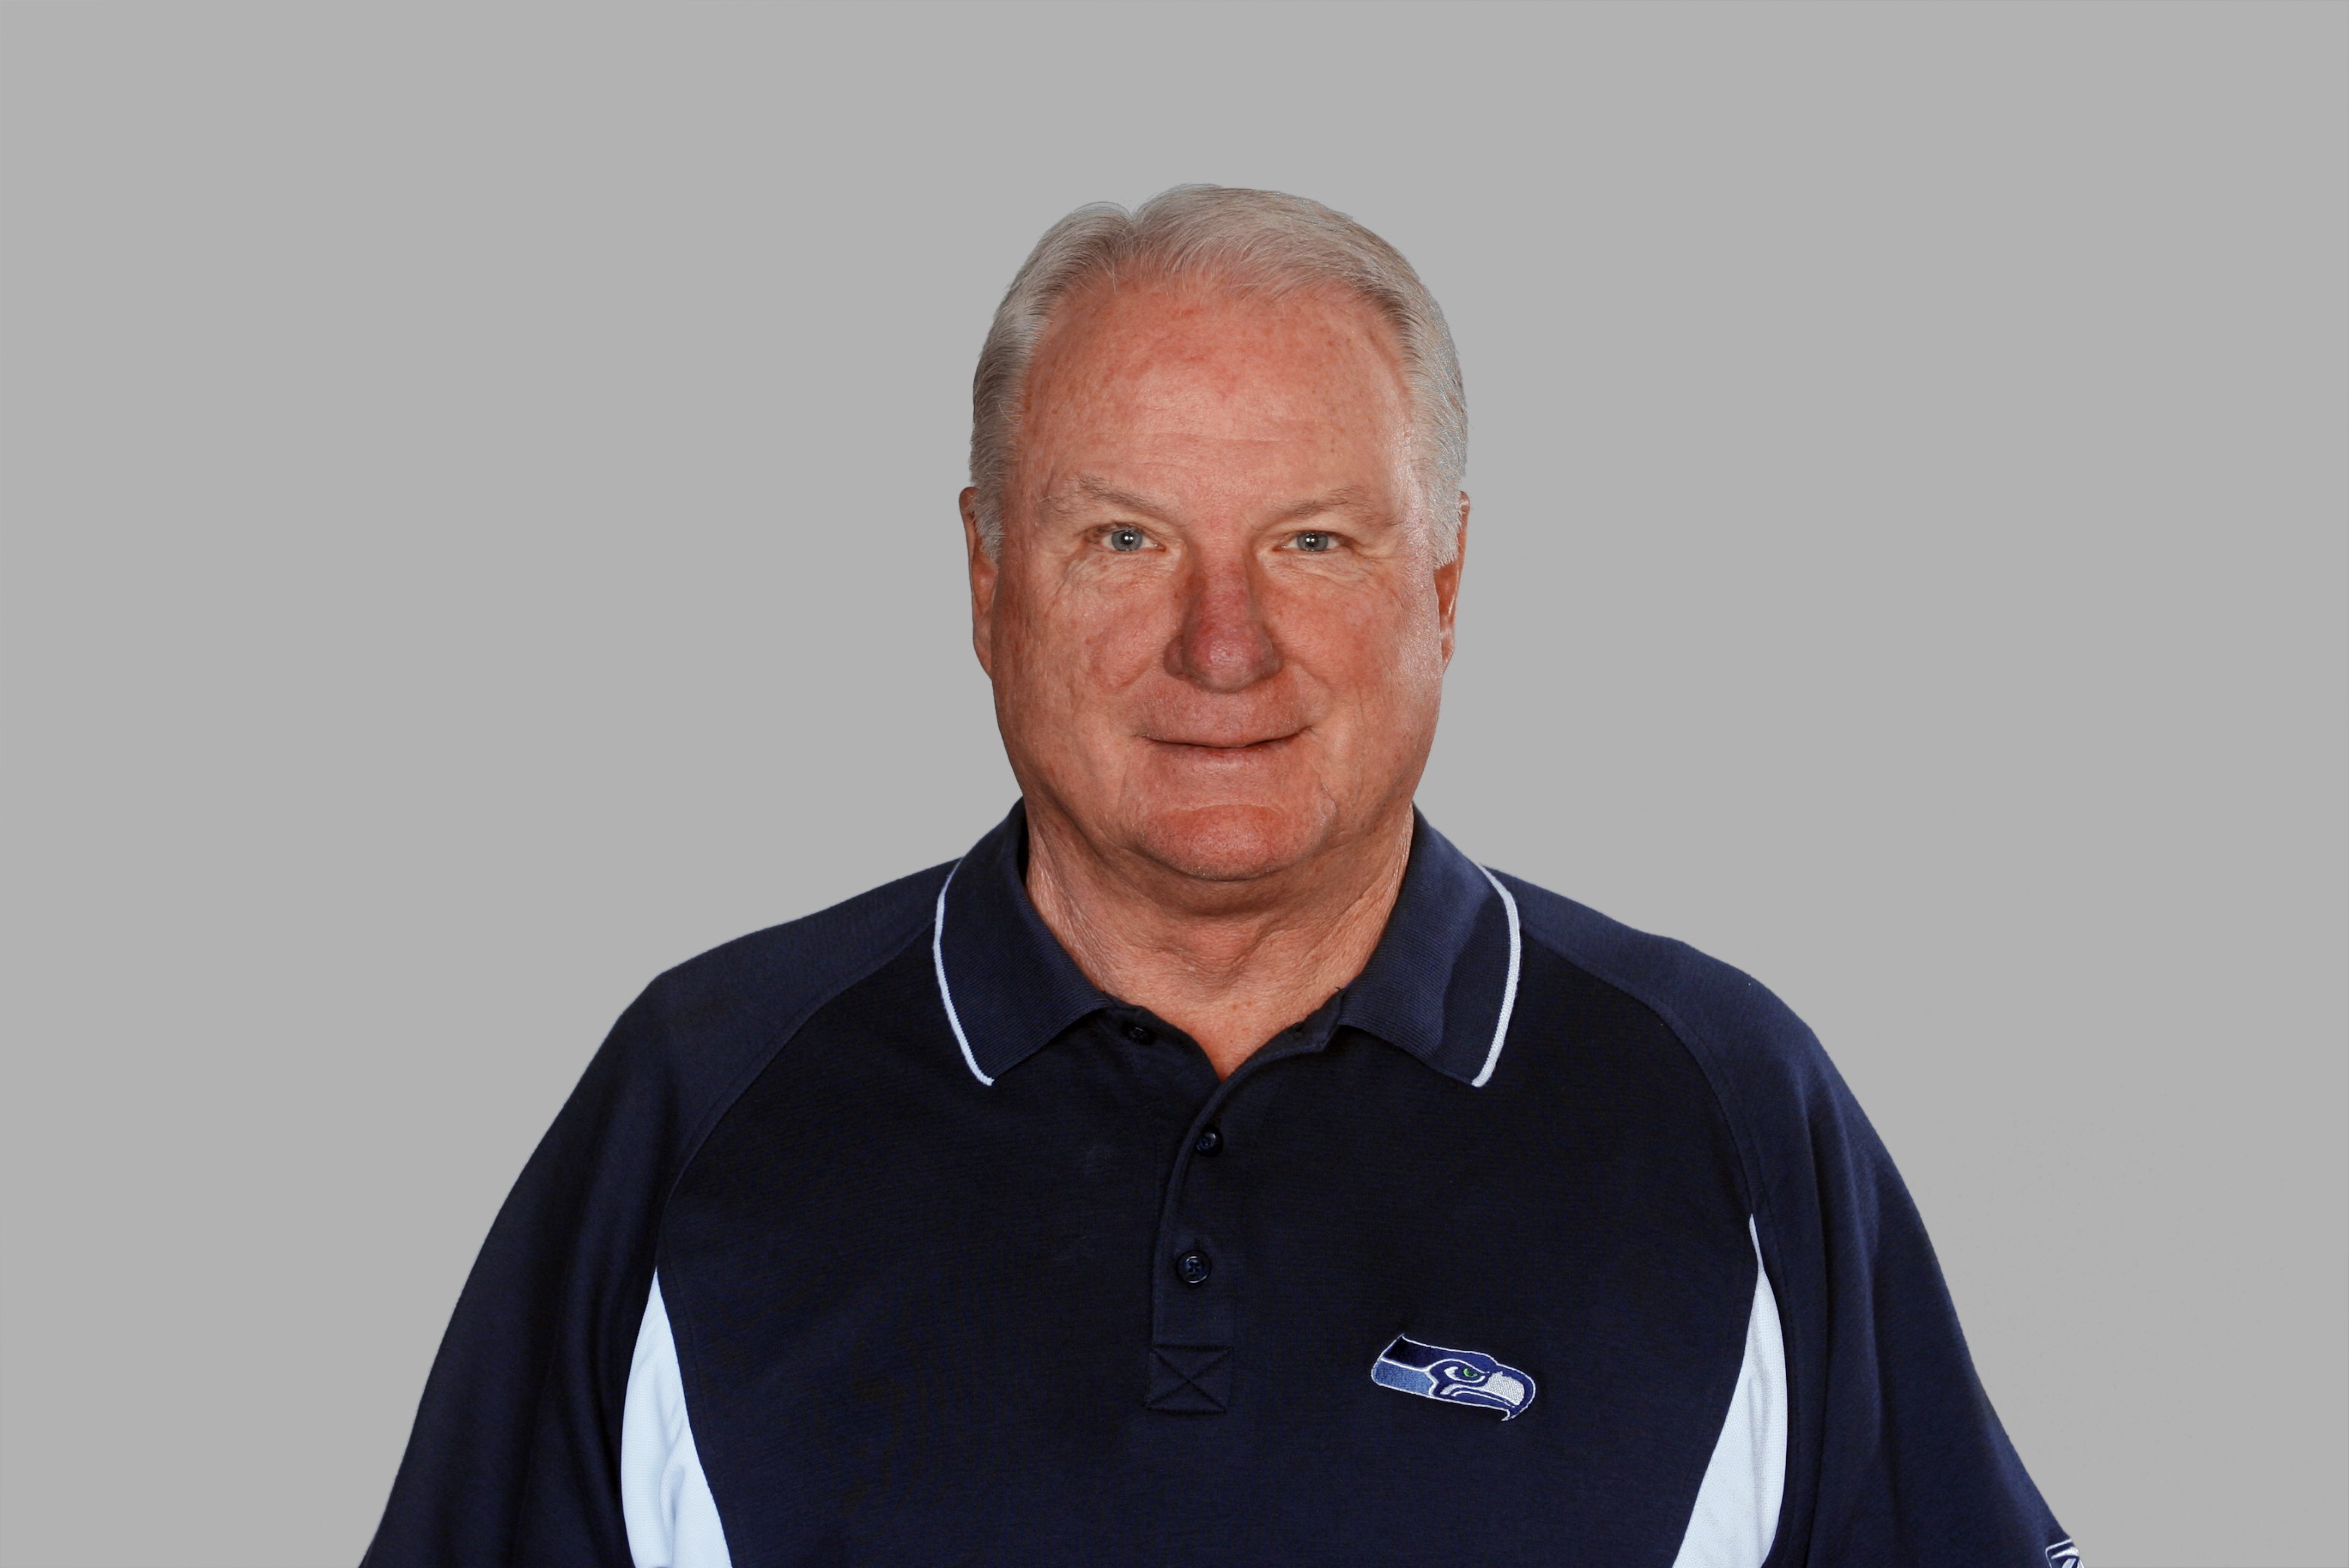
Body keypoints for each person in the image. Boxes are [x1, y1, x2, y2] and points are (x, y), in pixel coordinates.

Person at [362, 186, 2074, 1568]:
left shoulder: (1726, 1104)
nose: (1222, 644)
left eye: (1314, 541)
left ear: (1449, 579)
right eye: (1124, 538)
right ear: (981, 576)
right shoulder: (701, 1099)